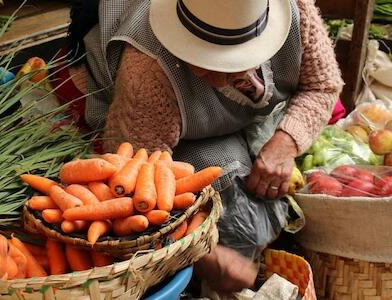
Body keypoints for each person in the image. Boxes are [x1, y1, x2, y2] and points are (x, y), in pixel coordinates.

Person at [61, 0, 343, 293]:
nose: (222, 78)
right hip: (164, 129)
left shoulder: (295, 12)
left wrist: (285, 143)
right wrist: (204, 254)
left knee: (264, 203)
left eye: (234, 61)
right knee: (228, 204)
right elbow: (133, 187)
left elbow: (322, 85)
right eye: (207, 60)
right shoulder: (148, 70)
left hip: (232, 116)